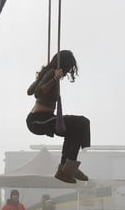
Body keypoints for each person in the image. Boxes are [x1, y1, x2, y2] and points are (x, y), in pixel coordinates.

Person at [26, 50, 91, 184]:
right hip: (39, 120)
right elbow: (37, 93)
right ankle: (69, 167)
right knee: (82, 123)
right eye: (68, 68)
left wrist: (41, 78)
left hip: (43, 118)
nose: (67, 72)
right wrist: (54, 78)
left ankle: (65, 168)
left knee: (73, 130)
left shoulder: (48, 72)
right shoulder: (51, 73)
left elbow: (30, 91)